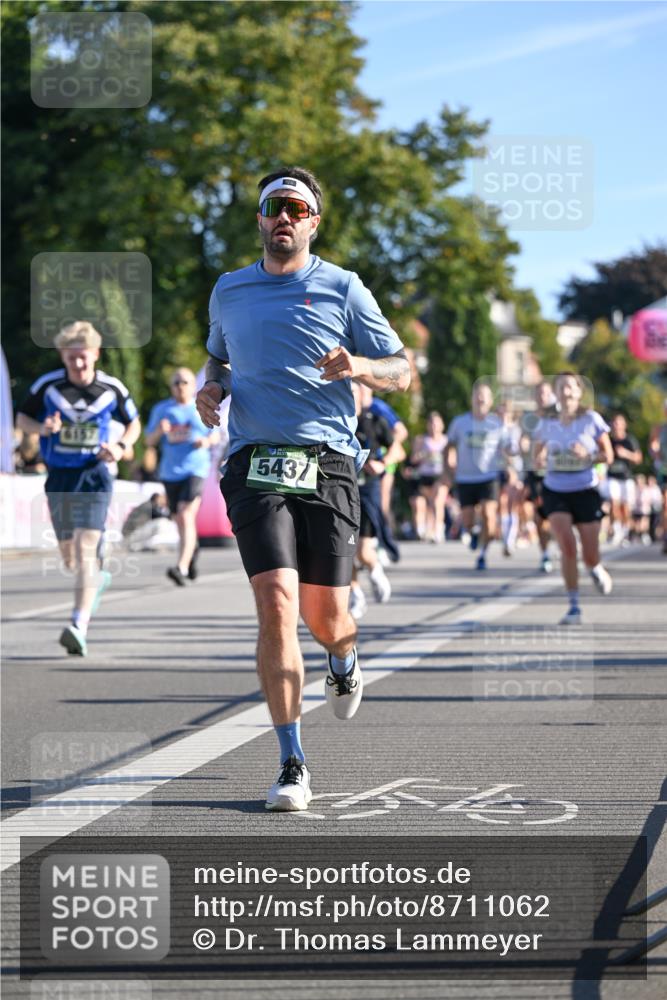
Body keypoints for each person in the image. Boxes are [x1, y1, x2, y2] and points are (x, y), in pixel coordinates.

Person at [195, 166, 410, 811]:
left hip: (330, 463)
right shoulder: (230, 291)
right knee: (276, 602)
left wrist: (363, 366)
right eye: (273, 207)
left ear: (313, 222)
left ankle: (343, 658)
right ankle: (292, 760)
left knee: (327, 616)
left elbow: (402, 369)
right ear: (261, 220)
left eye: (296, 207)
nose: (284, 217)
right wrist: (213, 386)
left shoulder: (344, 288)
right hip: (256, 461)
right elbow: (219, 357)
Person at [16, 321, 140, 655]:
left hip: (94, 475)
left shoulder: (112, 388)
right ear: (63, 356)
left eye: (83, 358)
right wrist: (42, 427)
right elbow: (21, 420)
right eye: (72, 359)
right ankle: (96, 576)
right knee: (70, 556)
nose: (79, 364)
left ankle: (78, 624)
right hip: (59, 477)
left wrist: (120, 446)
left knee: (86, 549)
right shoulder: (48, 386)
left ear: (96, 354)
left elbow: (133, 423)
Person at [532, 371, 614, 625]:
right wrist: (541, 461)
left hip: (585, 490)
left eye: (570, 386)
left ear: (579, 392)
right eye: (561, 387)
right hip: (555, 489)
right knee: (567, 545)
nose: (566, 391)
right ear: (556, 393)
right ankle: (574, 605)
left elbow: (607, 456)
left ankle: (595, 567)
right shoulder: (546, 422)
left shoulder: (591, 419)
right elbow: (536, 457)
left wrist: (587, 456)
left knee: (590, 553)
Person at [145, 368, 219, 585]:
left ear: (193, 385)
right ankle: (192, 551)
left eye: (185, 382)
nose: (180, 386)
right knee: (179, 520)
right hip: (170, 472)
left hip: (195, 470)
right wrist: (159, 431)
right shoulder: (162, 410)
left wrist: (206, 442)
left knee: (186, 515)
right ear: (171, 387)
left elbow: (215, 434)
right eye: (176, 383)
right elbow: (148, 442)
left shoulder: (200, 407)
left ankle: (181, 567)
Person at [446, 382, 511, 571]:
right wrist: (448, 466)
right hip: (465, 477)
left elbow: (507, 448)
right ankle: (473, 533)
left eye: (484, 396)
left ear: (490, 401)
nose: (480, 398)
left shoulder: (497, 424)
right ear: (472, 398)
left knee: (489, 517)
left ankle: (483, 554)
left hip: (488, 477)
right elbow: (449, 445)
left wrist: (510, 466)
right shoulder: (460, 422)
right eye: (477, 395)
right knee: (468, 520)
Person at [348, 383, 394, 620]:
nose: (352, 396)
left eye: (356, 392)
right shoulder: (336, 424)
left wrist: (383, 464)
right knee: (343, 553)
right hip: (341, 494)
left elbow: (398, 449)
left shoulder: (375, 422)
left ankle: (375, 571)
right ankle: (356, 595)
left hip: (367, 493)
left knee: (363, 552)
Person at [521, 381, 558, 573]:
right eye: (539, 394)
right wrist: (524, 445)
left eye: (545, 393)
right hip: (535, 472)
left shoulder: (559, 416)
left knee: (556, 515)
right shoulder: (529, 418)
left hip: (556, 471)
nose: (542, 397)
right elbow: (524, 438)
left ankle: (560, 538)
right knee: (539, 515)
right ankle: (545, 554)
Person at [410, 411, 448, 543]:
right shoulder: (422, 440)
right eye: (431, 423)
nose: (434, 426)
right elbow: (413, 459)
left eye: (436, 424)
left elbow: (452, 460)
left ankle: (438, 530)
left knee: (438, 502)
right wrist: (423, 455)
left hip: (440, 476)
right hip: (425, 475)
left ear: (442, 425)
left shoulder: (446, 441)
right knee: (424, 505)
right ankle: (423, 530)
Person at [605, 413, 642, 545]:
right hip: (612, 477)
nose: (616, 425)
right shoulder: (608, 440)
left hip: (626, 478)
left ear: (624, 425)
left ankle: (625, 531)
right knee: (613, 503)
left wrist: (626, 454)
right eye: (614, 422)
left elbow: (638, 458)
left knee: (625, 508)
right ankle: (616, 529)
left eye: (619, 422)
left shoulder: (629, 440)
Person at [648, 400, 667, 554]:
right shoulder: (659, 428)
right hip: (665, 471)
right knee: (666, 504)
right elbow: (653, 446)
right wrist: (657, 455)